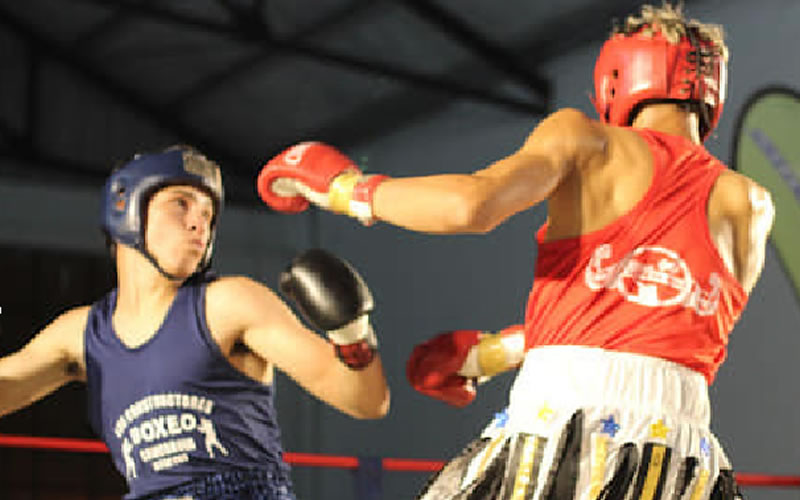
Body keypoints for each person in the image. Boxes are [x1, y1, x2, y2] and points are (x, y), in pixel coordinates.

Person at [256, 3, 774, 498]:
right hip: (679, 455)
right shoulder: (751, 204)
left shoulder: (588, 141)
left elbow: (470, 206)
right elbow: (654, 326)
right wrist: (490, 354)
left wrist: (345, 189)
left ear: (618, 76)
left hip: (564, 422)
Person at [0, 145, 390, 499]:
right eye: (181, 205)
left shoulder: (229, 303)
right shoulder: (81, 334)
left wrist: (351, 334)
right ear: (127, 207)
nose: (198, 224)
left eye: (207, 214)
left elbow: (365, 400)